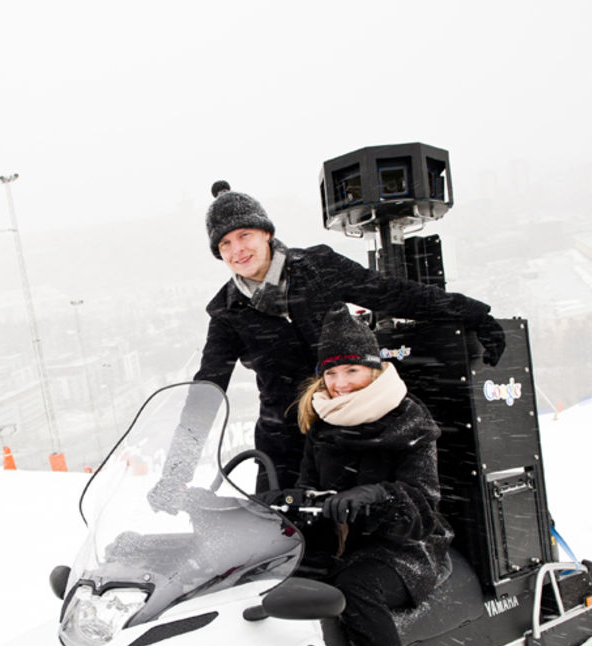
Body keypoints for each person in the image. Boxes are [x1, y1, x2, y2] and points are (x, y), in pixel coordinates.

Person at [193, 180, 502, 490]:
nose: (238, 250)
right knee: (280, 534)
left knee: (361, 526)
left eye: (244, 235)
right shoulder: (227, 312)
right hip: (283, 446)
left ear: (266, 233)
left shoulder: (318, 267)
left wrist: (473, 312)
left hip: (348, 433)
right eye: (225, 244)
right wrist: (177, 470)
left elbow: (392, 294)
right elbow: (206, 390)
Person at [277, 303, 454, 646]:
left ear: (374, 369)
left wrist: (377, 498)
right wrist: (295, 502)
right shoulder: (322, 420)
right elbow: (311, 488)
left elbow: (422, 507)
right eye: (331, 373)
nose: (340, 383)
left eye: (352, 370)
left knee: (356, 590)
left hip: (405, 548)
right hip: (338, 544)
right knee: (282, 592)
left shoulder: (411, 424)